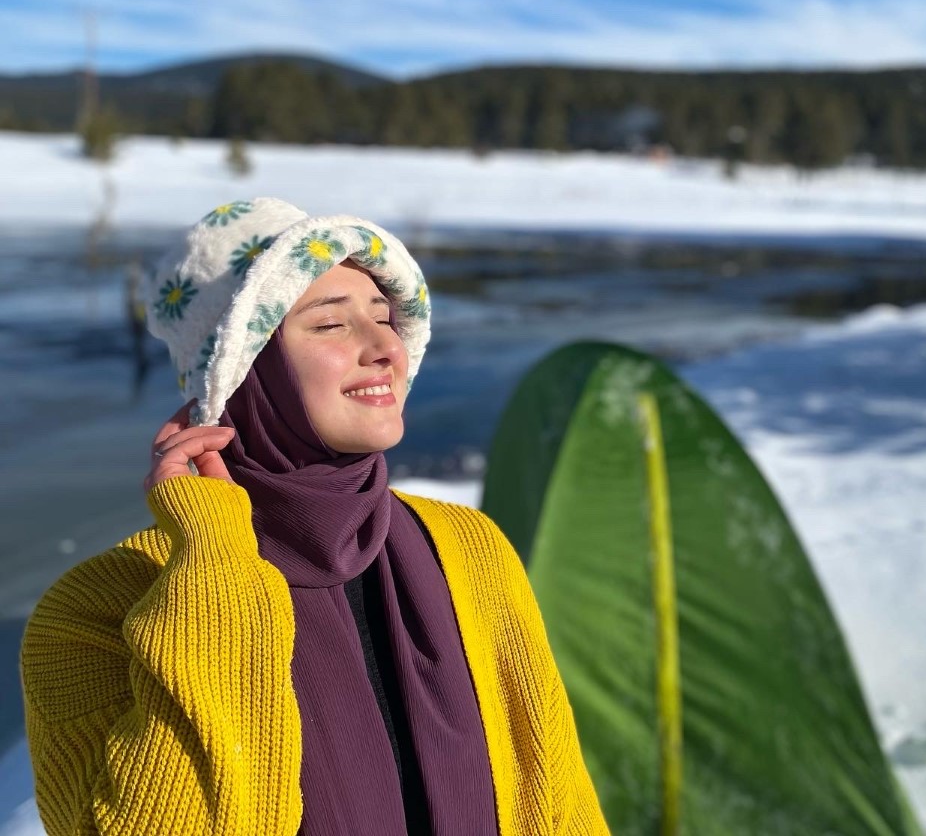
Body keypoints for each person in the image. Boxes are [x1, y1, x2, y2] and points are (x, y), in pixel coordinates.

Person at [20, 197, 608, 836]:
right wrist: (215, 566)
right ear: (245, 369)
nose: (385, 347)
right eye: (330, 324)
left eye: (384, 318)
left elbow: (561, 802)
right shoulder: (94, 611)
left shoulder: (468, 549)